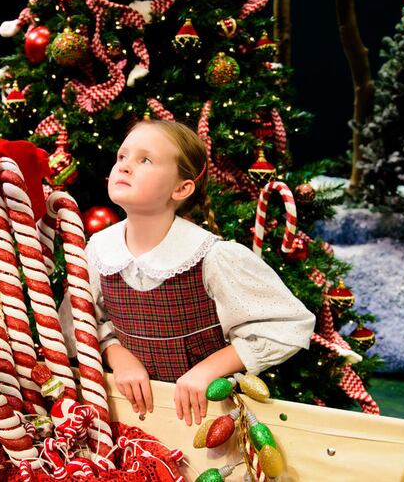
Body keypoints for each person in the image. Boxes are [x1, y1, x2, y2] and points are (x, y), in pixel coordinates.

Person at [60, 119, 315, 427]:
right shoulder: (100, 250)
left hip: (204, 416)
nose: (124, 167)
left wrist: (208, 370)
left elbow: (288, 325)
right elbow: (77, 322)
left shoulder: (211, 257)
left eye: (145, 160)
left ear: (181, 188)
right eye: (122, 157)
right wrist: (117, 355)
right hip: (129, 414)